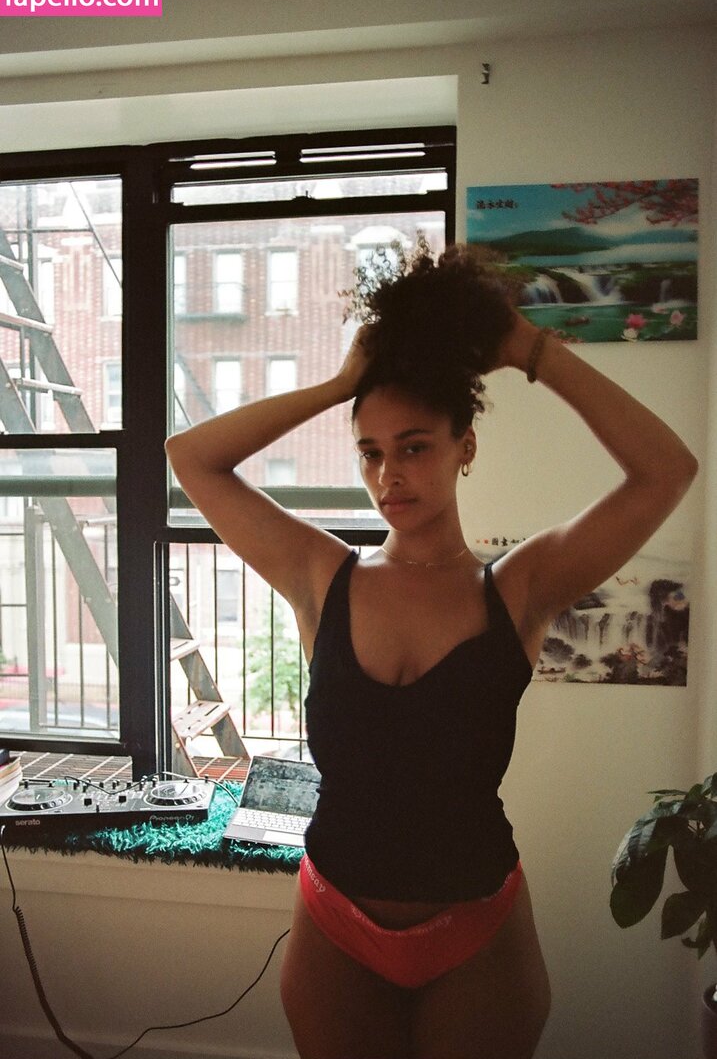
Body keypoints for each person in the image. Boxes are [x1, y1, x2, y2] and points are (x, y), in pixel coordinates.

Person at [165, 242, 697, 1059]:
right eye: (370, 452)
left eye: (413, 447)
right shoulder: (321, 576)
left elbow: (665, 470)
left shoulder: (517, 588)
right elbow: (190, 458)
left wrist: (529, 350)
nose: (389, 476)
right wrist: (339, 384)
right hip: (334, 925)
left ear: (464, 447)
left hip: (476, 931)